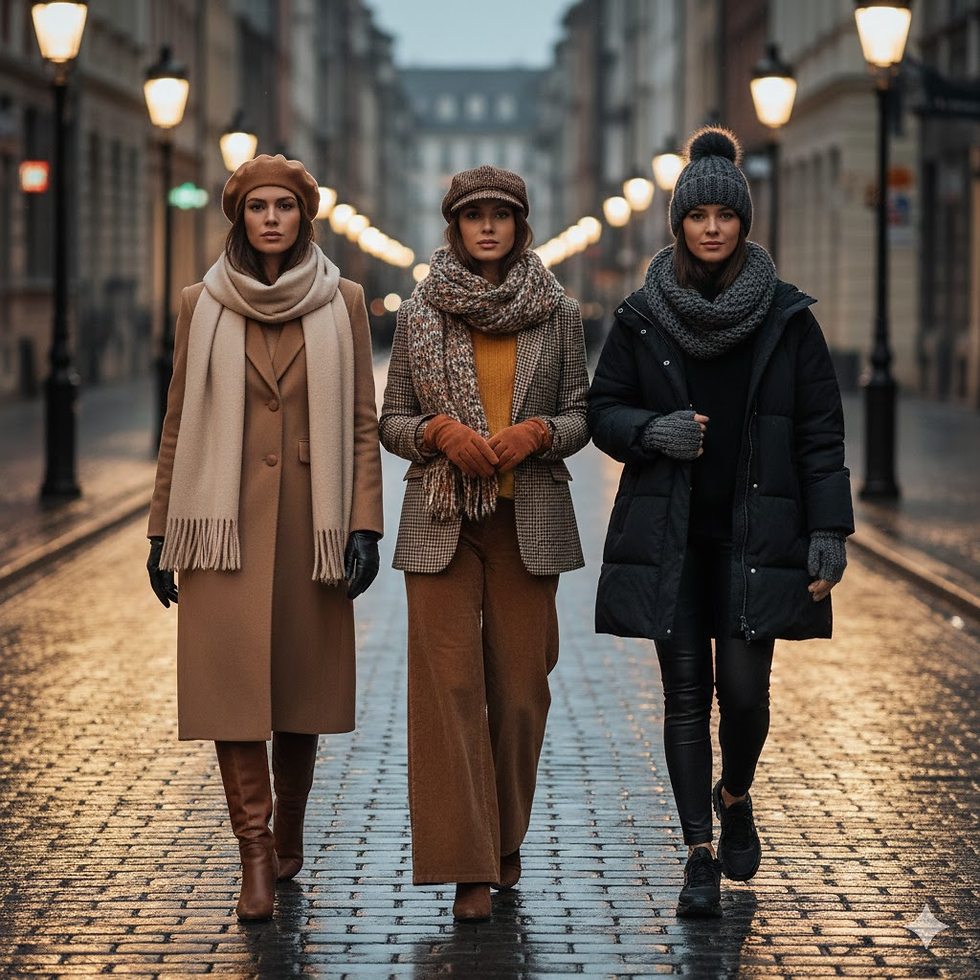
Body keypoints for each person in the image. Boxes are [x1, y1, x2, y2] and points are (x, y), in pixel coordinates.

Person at [587, 128, 853, 918]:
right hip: (673, 540)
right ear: (678, 223)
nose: (711, 227)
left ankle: (734, 793)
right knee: (682, 694)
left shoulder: (786, 317)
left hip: (755, 540)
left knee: (743, 696)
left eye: (724, 215)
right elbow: (602, 412)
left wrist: (828, 529)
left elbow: (820, 432)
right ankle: (698, 854)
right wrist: (649, 432)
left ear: (743, 222)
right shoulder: (642, 317)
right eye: (697, 214)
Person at [145, 154, 384, 921]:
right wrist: (160, 531)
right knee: (233, 695)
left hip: (310, 525)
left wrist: (364, 525)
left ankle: (290, 831)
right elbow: (179, 420)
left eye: (285, 205)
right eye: (258, 207)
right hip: (222, 530)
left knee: (298, 694)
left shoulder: (343, 300)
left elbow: (360, 423)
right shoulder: (200, 303)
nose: (271, 217)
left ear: (303, 216)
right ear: (239, 217)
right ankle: (254, 852)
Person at [379, 165, 590, 922]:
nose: (489, 226)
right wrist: (436, 431)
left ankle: (505, 837)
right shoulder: (420, 312)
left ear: (521, 224)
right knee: (451, 693)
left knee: (521, 692)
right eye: (475, 216)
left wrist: (538, 433)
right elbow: (391, 421)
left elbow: (580, 414)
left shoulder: (557, 312)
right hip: (441, 521)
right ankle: (469, 866)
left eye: (502, 214)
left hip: (526, 519)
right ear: (455, 227)